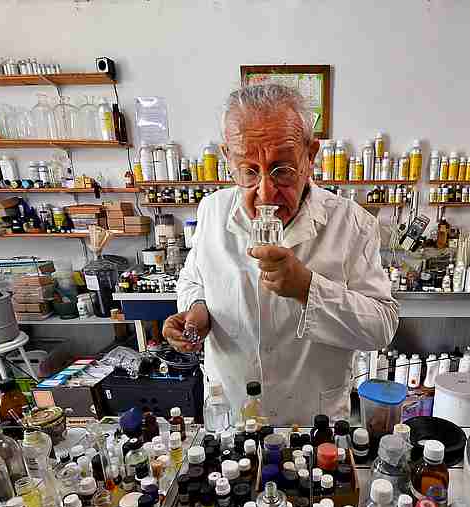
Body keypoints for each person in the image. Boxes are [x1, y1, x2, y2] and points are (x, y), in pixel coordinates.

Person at [163, 83, 398, 424]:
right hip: (232, 410)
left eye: (282, 170)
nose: (265, 193)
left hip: (312, 419)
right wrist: (197, 312)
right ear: (228, 158)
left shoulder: (352, 224)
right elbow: (193, 281)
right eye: (249, 171)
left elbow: (382, 326)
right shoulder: (212, 211)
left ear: (310, 155)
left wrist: (307, 288)